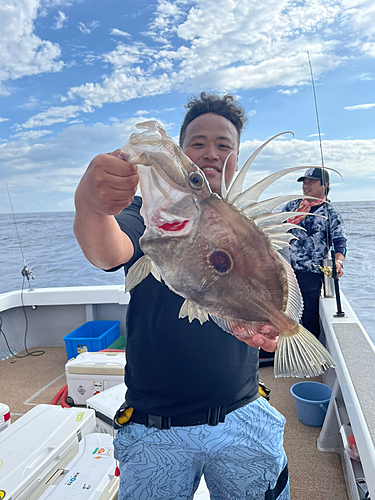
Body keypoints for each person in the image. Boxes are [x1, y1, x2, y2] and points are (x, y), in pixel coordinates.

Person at [74, 92, 290, 500]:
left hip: (244, 412)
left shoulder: (250, 231)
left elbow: (269, 296)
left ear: (237, 159)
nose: (211, 153)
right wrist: (89, 205)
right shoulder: (147, 215)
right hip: (156, 426)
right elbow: (106, 251)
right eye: (197, 144)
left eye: (224, 145)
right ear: (184, 155)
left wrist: (275, 330)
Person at [283, 167, 347, 338]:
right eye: (304, 182)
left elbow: (340, 241)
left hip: (310, 273)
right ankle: (275, 351)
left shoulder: (330, 212)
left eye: (311, 182)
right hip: (284, 270)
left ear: (324, 185)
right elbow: (275, 231)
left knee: (308, 316)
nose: (306, 185)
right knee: (281, 313)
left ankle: (312, 357)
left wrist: (338, 262)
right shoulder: (292, 207)